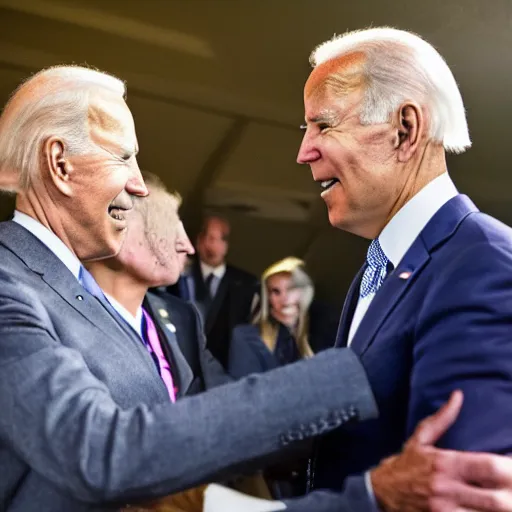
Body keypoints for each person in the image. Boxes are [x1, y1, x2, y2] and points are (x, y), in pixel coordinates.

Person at [0, 64, 510, 512]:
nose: (138, 184)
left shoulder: (468, 261)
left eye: (322, 124)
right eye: (124, 158)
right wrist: (359, 377)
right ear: (60, 165)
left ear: (406, 129)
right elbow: (101, 452)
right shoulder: (10, 284)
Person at [292, 26, 512, 509]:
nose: (304, 150)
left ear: (404, 129)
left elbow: (458, 493)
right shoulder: (381, 267)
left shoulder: (483, 265)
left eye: (323, 126)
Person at [86, 172, 229, 402]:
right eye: (167, 225)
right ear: (117, 224)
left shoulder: (182, 317)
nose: (187, 246)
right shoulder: (52, 317)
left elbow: (225, 395)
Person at [164, 214, 258, 368]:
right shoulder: (176, 278)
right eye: (207, 236)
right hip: (182, 363)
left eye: (218, 239)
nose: (210, 244)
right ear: (198, 240)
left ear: (227, 245)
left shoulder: (246, 284)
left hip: (226, 368)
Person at [229, 257, 315, 379]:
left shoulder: (324, 334)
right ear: (267, 298)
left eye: (291, 289)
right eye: (276, 291)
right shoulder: (246, 337)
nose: (285, 300)